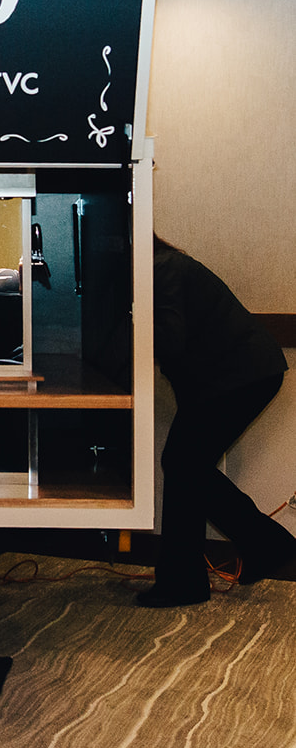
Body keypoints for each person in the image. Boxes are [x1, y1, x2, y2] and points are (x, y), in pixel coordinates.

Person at [138, 235, 294, 607]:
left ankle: (188, 579)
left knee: (182, 464)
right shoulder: (165, 266)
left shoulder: (160, 270)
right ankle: (263, 547)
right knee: (186, 466)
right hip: (241, 374)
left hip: (239, 376)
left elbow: (169, 339)